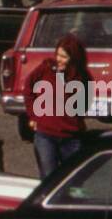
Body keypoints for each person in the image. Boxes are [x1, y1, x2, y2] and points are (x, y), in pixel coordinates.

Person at [23, 33, 90, 179]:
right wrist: (33, 115)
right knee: (49, 178)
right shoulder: (45, 68)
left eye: (64, 57)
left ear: (74, 58)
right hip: (46, 135)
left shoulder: (83, 77)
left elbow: (83, 106)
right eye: (58, 55)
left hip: (71, 137)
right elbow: (28, 88)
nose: (59, 59)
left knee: (73, 178)